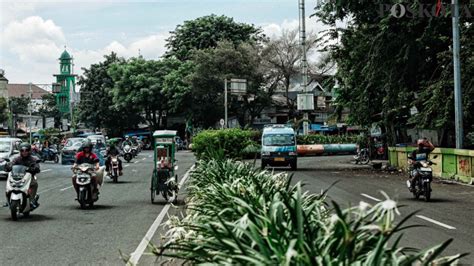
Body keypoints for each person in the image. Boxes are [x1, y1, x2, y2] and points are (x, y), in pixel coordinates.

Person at [5, 143, 41, 208]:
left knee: (34, 184)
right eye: (22, 150)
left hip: (29, 177)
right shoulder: (17, 159)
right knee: (9, 184)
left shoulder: (33, 159)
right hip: (17, 176)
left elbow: (37, 166)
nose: (24, 152)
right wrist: (8, 166)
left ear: (29, 151)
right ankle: (8, 199)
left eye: (26, 150)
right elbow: (12, 164)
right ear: (20, 151)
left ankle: (32, 200)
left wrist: (35, 168)